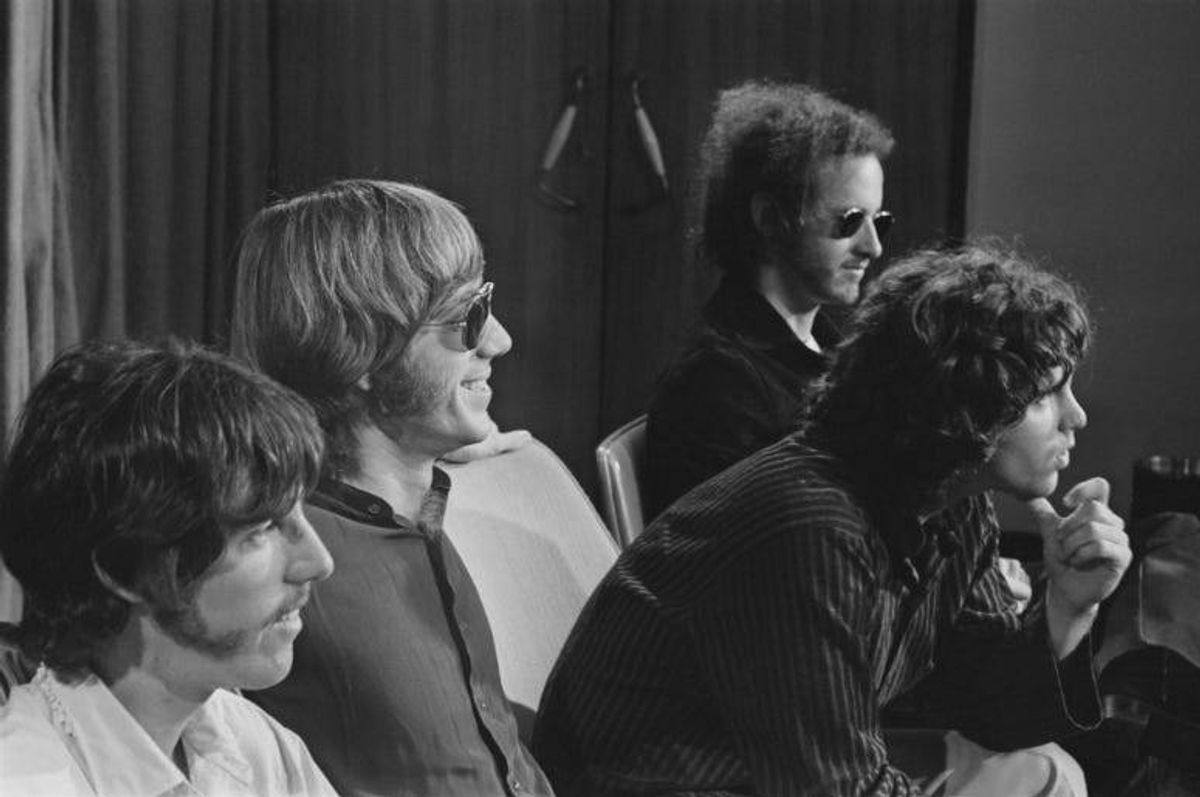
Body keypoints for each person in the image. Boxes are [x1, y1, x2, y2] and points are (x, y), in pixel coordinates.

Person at [533, 243, 1132, 796]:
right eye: (1044, 395)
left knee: (1047, 770)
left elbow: (984, 704)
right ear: (963, 404)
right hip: (657, 786)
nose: (1075, 416)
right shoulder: (811, 527)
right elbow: (837, 789)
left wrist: (1069, 603)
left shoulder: (953, 500)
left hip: (766, 777)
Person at [231, 179, 552, 796]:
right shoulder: (279, 562)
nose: (499, 340)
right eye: (467, 318)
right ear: (362, 354)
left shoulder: (417, 502)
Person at [0, 339, 337, 796]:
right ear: (125, 569)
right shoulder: (24, 777)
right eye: (262, 528)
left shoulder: (262, 750)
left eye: (301, 515)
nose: (318, 562)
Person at [644, 80, 896, 518]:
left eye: (880, 221)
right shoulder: (717, 385)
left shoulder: (832, 352)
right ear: (771, 219)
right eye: (850, 220)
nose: (873, 247)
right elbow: (774, 559)